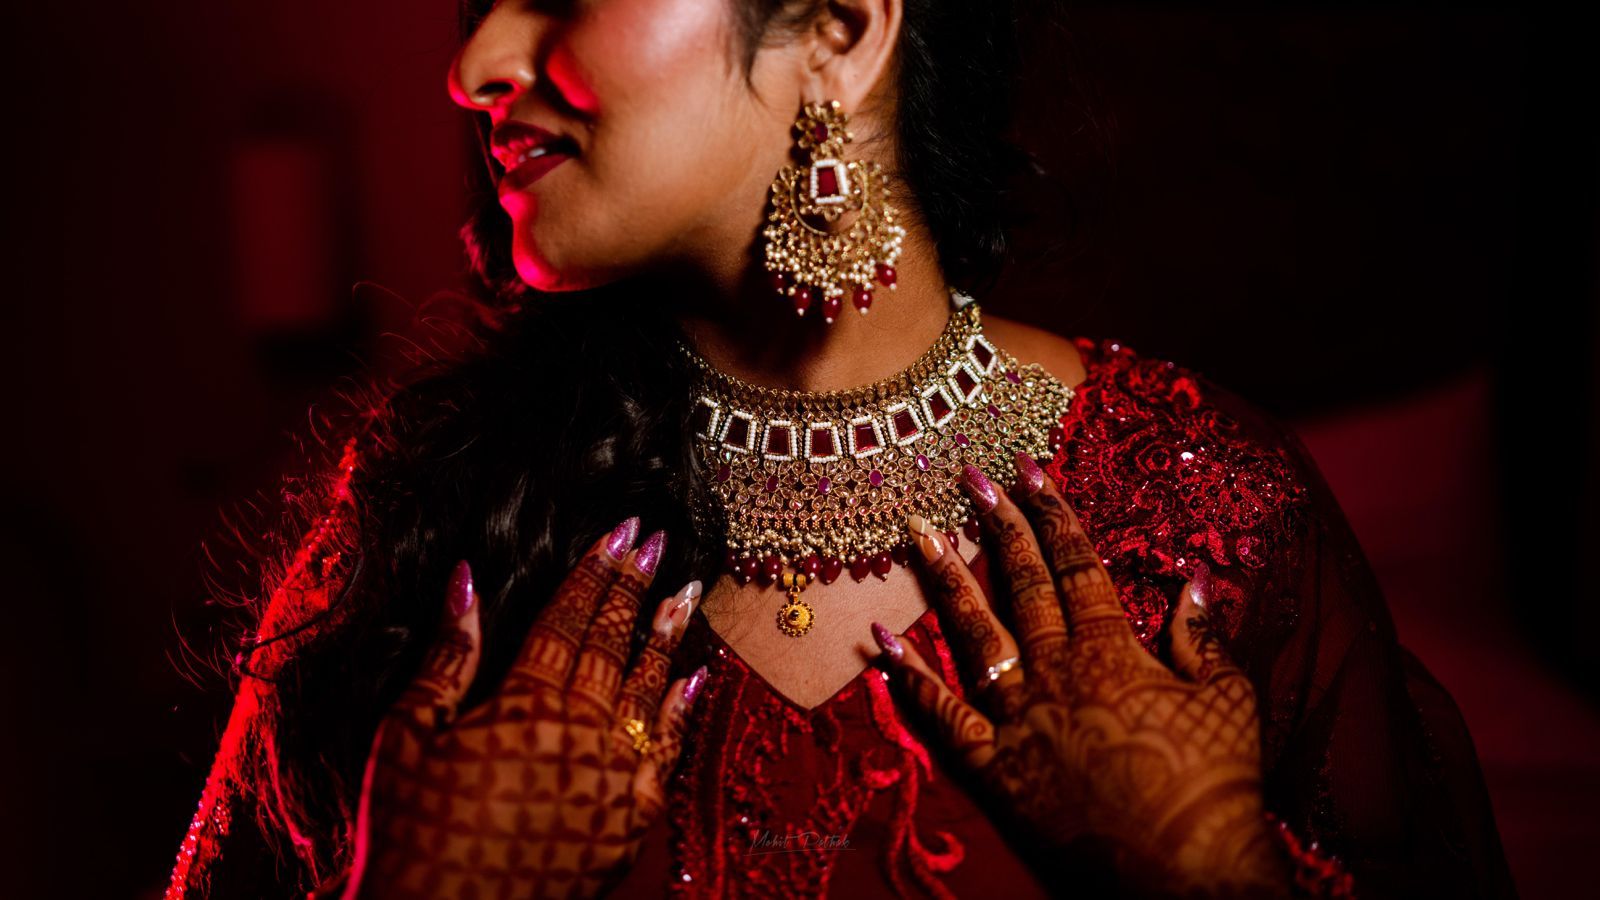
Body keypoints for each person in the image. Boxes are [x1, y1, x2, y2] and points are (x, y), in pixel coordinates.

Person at [164, 0, 1517, 897]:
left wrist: (1215, 876)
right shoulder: (438, 505)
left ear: (842, 29)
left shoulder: (1207, 509)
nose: (472, 70)